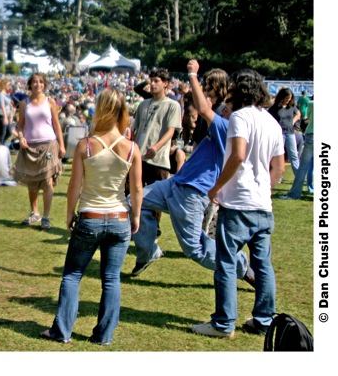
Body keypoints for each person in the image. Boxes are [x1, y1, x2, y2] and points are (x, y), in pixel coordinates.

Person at [130, 60, 253, 287]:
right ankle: (148, 251)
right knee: (133, 203)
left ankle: (241, 266)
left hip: (192, 192)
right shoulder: (222, 124)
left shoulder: (227, 127)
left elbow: (205, 110)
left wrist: (193, 74)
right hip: (177, 183)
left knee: (196, 249)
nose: (222, 110)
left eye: (226, 108)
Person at [39, 88, 142, 345]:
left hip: (90, 216)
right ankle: (104, 335)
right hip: (119, 217)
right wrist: (136, 216)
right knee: (111, 279)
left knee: (73, 275)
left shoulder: (86, 145)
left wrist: (69, 214)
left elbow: (75, 184)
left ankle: (61, 331)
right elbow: (137, 188)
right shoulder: (131, 148)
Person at [192, 69, 285, 339]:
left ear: (238, 90)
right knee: (263, 265)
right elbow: (278, 167)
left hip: (237, 203)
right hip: (262, 205)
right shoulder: (272, 122)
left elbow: (238, 155)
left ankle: (223, 323)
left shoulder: (240, 117)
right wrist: (264, 189)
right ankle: (264, 320)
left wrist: (217, 186)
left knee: (226, 263)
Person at [131, 68, 182, 238]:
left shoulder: (172, 105)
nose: (152, 84)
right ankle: (135, 225)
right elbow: (134, 129)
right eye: (150, 80)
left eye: (156, 81)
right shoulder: (143, 104)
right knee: (132, 193)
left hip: (158, 159)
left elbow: (171, 131)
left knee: (156, 199)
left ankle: (154, 230)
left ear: (166, 84)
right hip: (139, 157)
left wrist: (157, 147)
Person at [13, 73, 65, 230]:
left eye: (40, 82)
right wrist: (21, 137)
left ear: (44, 84)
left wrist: (62, 145)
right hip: (29, 146)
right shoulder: (24, 104)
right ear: (30, 84)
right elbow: (20, 125)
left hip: (48, 143)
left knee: (48, 181)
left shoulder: (50, 102)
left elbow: (56, 125)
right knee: (32, 181)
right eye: (34, 82)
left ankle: (46, 216)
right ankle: (34, 213)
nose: (37, 84)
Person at [280, 97, 314, 200]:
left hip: (311, 135)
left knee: (303, 166)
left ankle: (295, 193)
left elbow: (307, 117)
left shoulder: (311, 103)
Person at [268, 87, 301, 175]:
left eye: (289, 98)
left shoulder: (292, 106)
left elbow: (298, 114)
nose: (288, 100)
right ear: (282, 97)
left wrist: (292, 122)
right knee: (279, 155)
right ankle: (277, 175)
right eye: (286, 98)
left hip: (290, 133)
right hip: (279, 134)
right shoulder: (274, 108)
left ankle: (298, 177)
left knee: (294, 155)